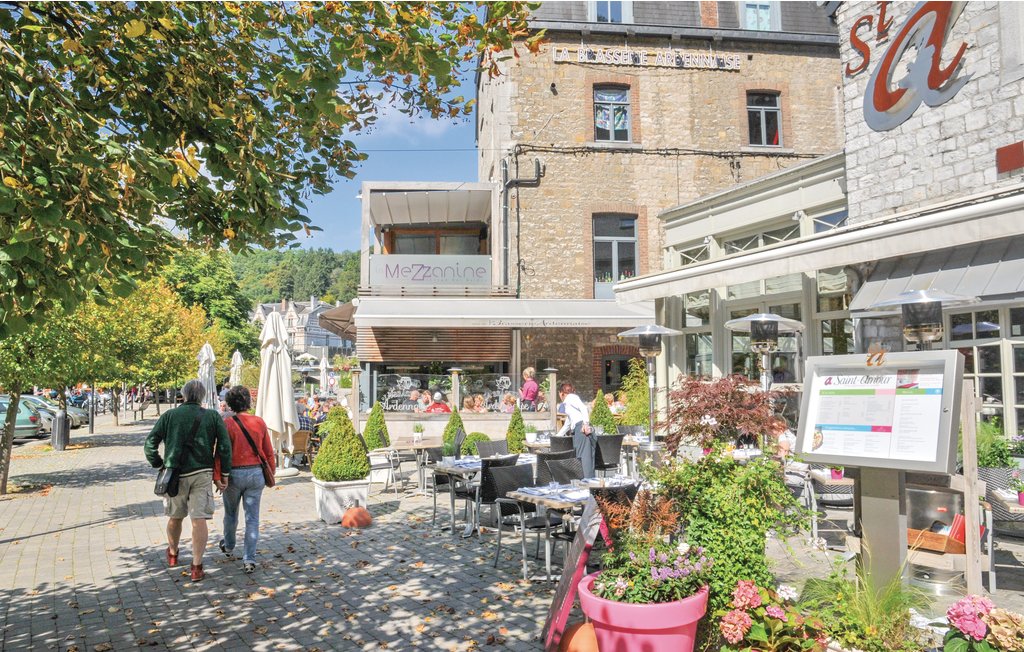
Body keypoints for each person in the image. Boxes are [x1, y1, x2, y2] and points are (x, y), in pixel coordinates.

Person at [144, 380, 232, 582]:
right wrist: (224, 474)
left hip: (175, 474)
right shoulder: (212, 416)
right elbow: (224, 446)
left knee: (175, 517)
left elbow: (150, 444)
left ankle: (173, 553)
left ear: (183, 395)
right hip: (202, 473)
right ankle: (197, 566)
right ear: (202, 396)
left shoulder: (169, 415)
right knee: (199, 519)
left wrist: (159, 464)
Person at [215, 386, 275, 574]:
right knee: (252, 518)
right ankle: (249, 558)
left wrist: (217, 476)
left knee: (230, 514)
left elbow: (221, 452)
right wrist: (271, 472)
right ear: (248, 401)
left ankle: (229, 545)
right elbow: (268, 451)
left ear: (230, 403)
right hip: (256, 473)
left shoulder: (227, 424)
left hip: (233, 474)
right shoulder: (259, 422)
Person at [555, 382, 595, 478]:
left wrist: (585, 424)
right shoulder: (568, 403)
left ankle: (587, 483)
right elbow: (568, 423)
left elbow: (584, 408)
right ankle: (586, 481)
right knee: (583, 458)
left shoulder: (571, 397)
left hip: (581, 429)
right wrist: (557, 436)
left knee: (583, 459)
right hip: (579, 428)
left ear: (561, 393)